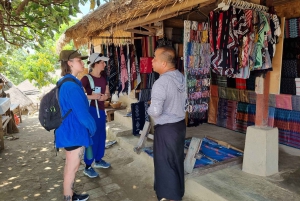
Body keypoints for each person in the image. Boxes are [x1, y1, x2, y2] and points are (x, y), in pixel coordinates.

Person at [56, 50, 97, 201]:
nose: (82, 63)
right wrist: (93, 129)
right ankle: (68, 198)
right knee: (72, 168)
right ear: (70, 63)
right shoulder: (71, 86)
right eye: (79, 60)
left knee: (69, 166)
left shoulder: (66, 82)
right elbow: (83, 115)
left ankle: (70, 195)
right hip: (74, 132)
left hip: (69, 131)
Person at [147, 46, 186, 201]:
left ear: (163, 63)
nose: (152, 61)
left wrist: (149, 107)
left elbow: (155, 111)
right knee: (176, 161)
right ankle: (177, 193)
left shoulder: (161, 83)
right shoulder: (181, 77)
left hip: (166, 129)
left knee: (165, 164)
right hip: (179, 126)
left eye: (155, 58)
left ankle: (168, 197)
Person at [81, 53, 111, 178]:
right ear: (96, 63)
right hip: (91, 111)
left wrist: (106, 96)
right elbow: (79, 96)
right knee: (91, 138)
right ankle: (88, 166)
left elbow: (108, 93)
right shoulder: (86, 79)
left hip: (101, 111)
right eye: (102, 62)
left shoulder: (104, 78)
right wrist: (92, 96)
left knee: (101, 136)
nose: (104, 64)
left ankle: (98, 160)